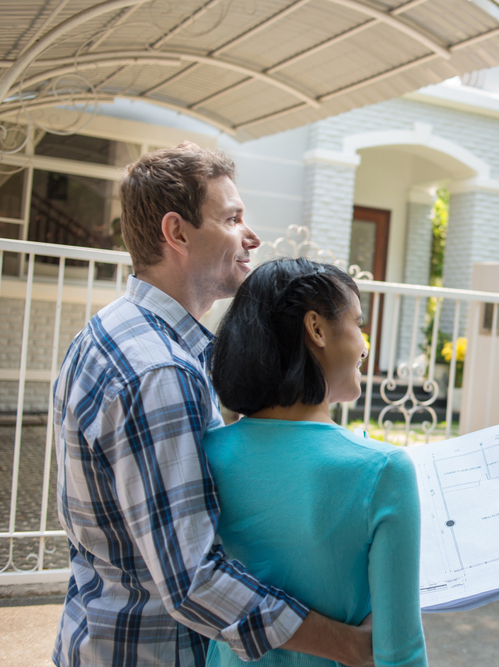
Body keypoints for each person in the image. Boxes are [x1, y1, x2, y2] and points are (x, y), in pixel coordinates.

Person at [53, 143, 372, 667]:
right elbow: (192, 579)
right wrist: (349, 645)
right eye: (232, 218)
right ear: (177, 233)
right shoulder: (159, 373)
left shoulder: (110, 331)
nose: (253, 236)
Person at [203, 258, 426, 667]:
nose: (365, 344)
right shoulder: (383, 471)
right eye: (358, 324)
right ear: (317, 329)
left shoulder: (206, 454)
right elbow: (399, 653)